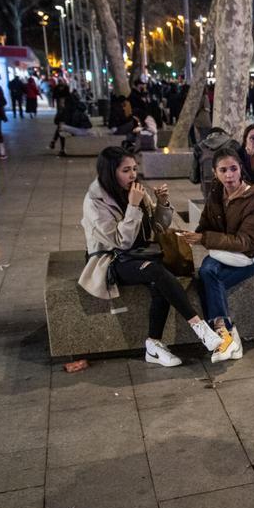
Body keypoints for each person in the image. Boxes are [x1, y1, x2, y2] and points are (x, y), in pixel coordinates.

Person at [79, 147, 231, 367]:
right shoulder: (95, 201)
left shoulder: (134, 189)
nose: (132, 175)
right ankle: (202, 330)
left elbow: (158, 227)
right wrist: (132, 206)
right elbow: (122, 242)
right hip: (112, 260)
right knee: (156, 272)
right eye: (125, 170)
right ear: (110, 172)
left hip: (141, 254)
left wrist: (162, 203)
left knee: (160, 281)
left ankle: (153, 344)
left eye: (134, 169)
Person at [178, 146, 254, 362]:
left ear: (241, 169)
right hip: (223, 253)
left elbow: (245, 242)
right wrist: (192, 236)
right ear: (215, 172)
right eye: (223, 170)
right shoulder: (216, 193)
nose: (229, 175)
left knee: (209, 276)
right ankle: (229, 335)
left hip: (250, 256)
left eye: (233, 169)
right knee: (208, 272)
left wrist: (204, 239)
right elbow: (205, 224)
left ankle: (223, 333)